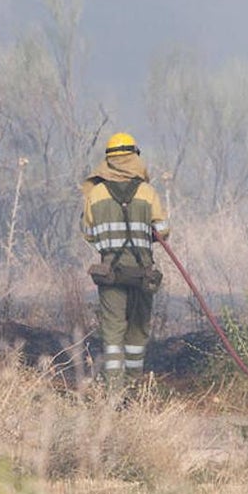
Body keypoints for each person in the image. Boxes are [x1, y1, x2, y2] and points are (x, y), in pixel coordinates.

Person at [80, 132, 170, 384]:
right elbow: (163, 231)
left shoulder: (95, 194)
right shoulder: (147, 192)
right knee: (137, 332)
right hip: (143, 274)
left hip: (110, 273)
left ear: (108, 161)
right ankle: (133, 387)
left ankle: (113, 392)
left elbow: (88, 234)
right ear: (134, 158)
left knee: (112, 332)